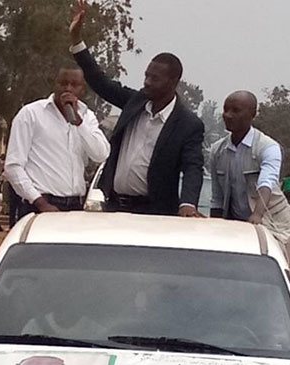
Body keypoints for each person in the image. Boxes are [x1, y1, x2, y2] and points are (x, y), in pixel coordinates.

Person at [69, 0, 204, 217]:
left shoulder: (188, 125)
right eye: (146, 76)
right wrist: (77, 41)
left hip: (155, 214)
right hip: (114, 207)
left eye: (155, 78)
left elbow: (193, 167)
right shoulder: (135, 101)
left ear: (173, 81)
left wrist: (188, 204)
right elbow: (101, 83)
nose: (147, 82)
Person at [5, 66, 110, 220]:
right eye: (63, 83)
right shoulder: (31, 114)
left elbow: (101, 154)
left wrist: (79, 123)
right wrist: (40, 203)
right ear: (55, 84)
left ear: (82, 89)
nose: (68, 88)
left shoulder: (87, 116)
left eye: (74, 85)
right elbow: (13, 166)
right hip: (41, 205)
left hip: (76, 206)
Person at [208, 91, 290, 248]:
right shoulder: (217, 151)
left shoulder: (268, 147)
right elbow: (217, 196)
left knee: (266, 261)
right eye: (225, 110)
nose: (228, 115)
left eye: (235, 110)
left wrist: (257, 215)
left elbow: (266, 182)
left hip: (271, 223)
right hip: (236, 224)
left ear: (253, 114)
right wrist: (215, 226)